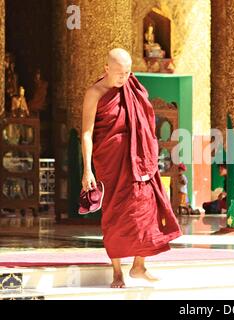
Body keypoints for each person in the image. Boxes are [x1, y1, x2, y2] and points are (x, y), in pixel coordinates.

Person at [81, 48, 182, 289]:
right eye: (118, 73)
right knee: (114, 214)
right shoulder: (94, 93)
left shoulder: (132, 89)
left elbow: (144, 123)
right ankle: (117, 272)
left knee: (145, 208)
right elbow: (86, 133)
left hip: (138, 162)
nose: (123, 78)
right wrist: (87, 170)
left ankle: (139, 265)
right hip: (109, 162)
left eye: (127, 73)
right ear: (106, 69)